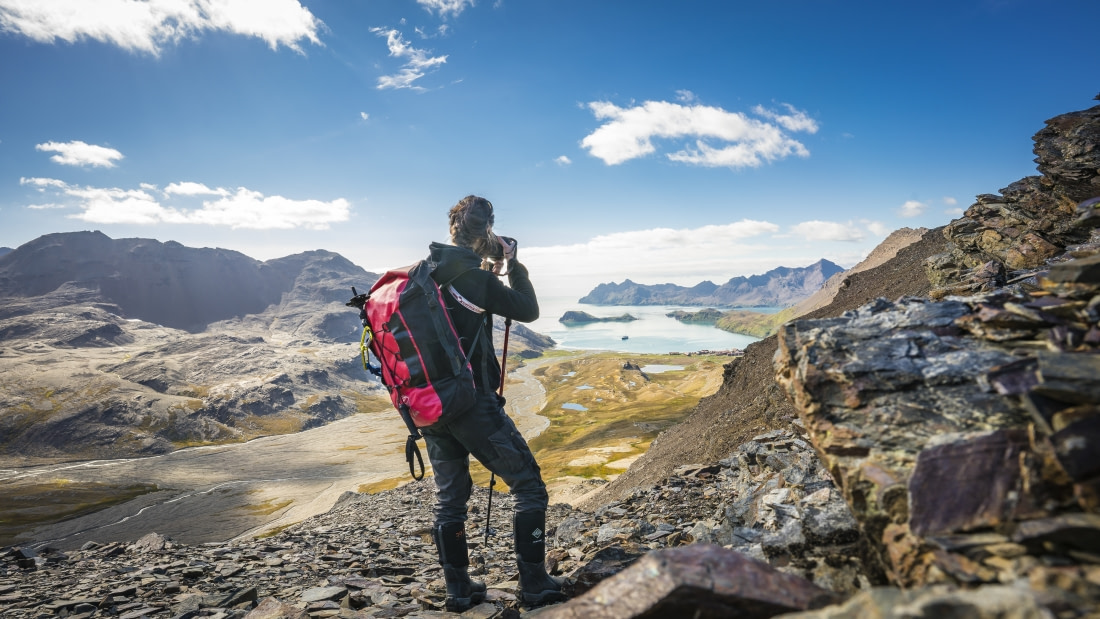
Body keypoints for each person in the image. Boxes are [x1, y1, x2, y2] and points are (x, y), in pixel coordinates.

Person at [424, 195, 565, 611]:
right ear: (485, 230)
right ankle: (535, 583)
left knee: (450, 500)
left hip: (430, 406)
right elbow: (529, 309)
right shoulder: (473, 278)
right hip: (471, 404)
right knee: (528, 486)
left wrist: (489, 264)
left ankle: (459, 589)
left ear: (452, 227)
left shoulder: (426, 274)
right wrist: (514, 264)